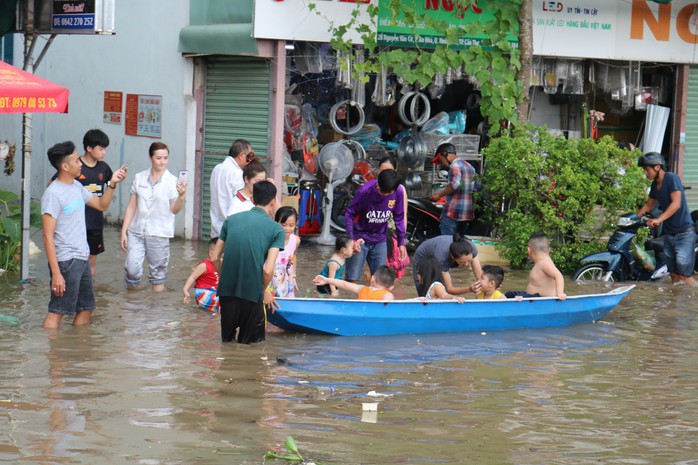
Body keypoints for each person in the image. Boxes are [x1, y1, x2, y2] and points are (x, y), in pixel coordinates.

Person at [41, 141, 127, 329]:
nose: (80, 163)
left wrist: (112, 184)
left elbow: (101, 205)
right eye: (75, 160)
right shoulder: (53, 194)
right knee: (57, 311)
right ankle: (53, 354)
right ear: (64, 166)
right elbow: (47, 237)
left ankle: (75, 351)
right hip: (65, 261)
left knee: (86, 309)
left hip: (82, 256)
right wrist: (56, 273)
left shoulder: (77, 187)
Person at [211, 180, 285, 344]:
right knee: (251, 349)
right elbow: (267, 270)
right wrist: (262, 290)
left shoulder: (231, 221)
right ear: (273, 202)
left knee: (227, 343)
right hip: (252, 293)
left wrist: (226, 278)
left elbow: (215, 257)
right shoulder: (276, 229)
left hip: (226, 291)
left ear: (252, 199)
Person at [121, 142, 187, 292]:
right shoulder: (139, 178)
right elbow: (132, 206)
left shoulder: (172, 182)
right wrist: (124, 231)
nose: (162, 161)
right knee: (131, 270)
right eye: (158, 158)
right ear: (151, 158)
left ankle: (156, 311)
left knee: (158, 275)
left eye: (165, 158)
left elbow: (174, 210)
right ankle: (131, 307)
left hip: (159, 232)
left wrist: (181, 196)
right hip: (136, 231)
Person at [637, 152, 696, 286]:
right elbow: (649, 204)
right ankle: (676, 304)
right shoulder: (654, 185)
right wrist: (634, 218)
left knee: (685, 276)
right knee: (674, 276)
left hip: (684, 234)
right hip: (669, 235)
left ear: (657, 167)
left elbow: (676, 204)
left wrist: (658, 219)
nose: (646, 173)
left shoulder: (671, 178)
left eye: (647, 169)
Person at [344, 169, 407, 282]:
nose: (383, 195)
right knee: (352, 279)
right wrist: (351, 239)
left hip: (380, 239)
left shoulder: (398, 192)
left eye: (387, 193)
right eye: (381, 191)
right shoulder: (365, 191)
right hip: (360, 237)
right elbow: (350, 213)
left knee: (382, 281)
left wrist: (401, 242)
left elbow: (399, 217)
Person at [76, 129, 114, 276]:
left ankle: (90, 293)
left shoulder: (103, 167)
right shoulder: (75, 166)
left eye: (105, 148)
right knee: (77, 259)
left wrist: (117, 180)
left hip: (95, 222)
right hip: (77, 222)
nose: (104, 152)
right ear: (89, 148)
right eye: (101, 148)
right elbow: (54, 183)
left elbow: (111, 183)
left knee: (91, 260)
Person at [411, 234, 482, 297]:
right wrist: (469, 289)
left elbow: (479, 276)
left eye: (469, 261)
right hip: (423, 259)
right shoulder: (443, 258)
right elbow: (449, 289)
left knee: (441, 289)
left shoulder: (472, 248)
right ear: (453, 258)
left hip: (439, 255)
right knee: (426, 292)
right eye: (462, 262)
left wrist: (483, 286)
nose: (466, 265)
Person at [209, 139, 254, 239]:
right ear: (242, 156)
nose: (251, 160)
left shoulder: (217, 168)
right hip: (231, 231)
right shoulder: (238, 174)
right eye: (250, 156)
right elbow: (242, 202)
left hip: (216, 230)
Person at [429, 142, 476, 236]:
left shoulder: (454, 166)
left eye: (440, 160)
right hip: (466, 213)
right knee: (459, 243)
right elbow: (476, 190)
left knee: (446, 240)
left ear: (445, 154)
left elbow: (455, 184)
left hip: (453, 212)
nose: (441, 163)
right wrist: (472, 209)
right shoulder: (470, 167)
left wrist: (439, 195)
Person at [506, 232, 566, 299]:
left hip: (540, 299)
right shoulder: (540, 263)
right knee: (509, 294)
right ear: (549, 250)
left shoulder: (545, 262)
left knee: (514, 297)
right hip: (532, 298)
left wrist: (560, 293)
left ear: (529, 250)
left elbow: (558, 275)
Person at [313, 264, 395, 301]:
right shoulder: (388, 295)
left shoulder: (362, 289)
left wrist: (326, 280)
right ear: (391, 288)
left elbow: (344, 284)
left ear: (372, 279)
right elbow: (387, 306)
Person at [182, 238, 220, 312]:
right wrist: (185, 290)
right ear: (211, 254)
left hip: (213, 293)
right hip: (203, 294)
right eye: (222, 256)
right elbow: (192, 277)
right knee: (225, 299)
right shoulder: (204, 265)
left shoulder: (219, 265)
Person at [269, 206, 300, 298]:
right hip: (272, 278)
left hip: (287, 279)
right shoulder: (270, 240)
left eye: (291, 225)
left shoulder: (296, 240)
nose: (287, 229)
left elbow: (293, 255)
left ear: (295, 224)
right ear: (276, 223)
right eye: (283, 224)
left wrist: (293, 275)